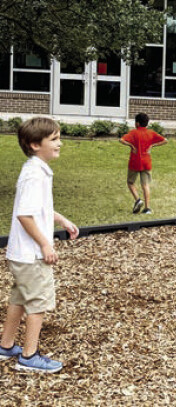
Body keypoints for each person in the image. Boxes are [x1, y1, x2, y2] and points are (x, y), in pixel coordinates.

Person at [0, 117, 79, 373]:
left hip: (20, 254)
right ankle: (29, 356)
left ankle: (6, 345)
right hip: (32, 255)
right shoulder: (35, 175)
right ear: (35, 144)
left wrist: (62, 219)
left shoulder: (35, 169)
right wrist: (46, 244)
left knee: (20, 298)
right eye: (54, 139)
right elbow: (25, 215)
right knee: (39, 302)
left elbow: (39, 208)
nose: (60, 143)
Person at [120, 113, 167, 215]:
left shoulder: (134, 133)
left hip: (135, 162)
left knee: (130, 182)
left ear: (137, 123)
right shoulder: (151, 133)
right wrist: (152, 146)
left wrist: (131, 146)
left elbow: (122, 140)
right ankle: (147, 208)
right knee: (145, 185)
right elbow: (165, 140)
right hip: (146, 162)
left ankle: (138, 200)